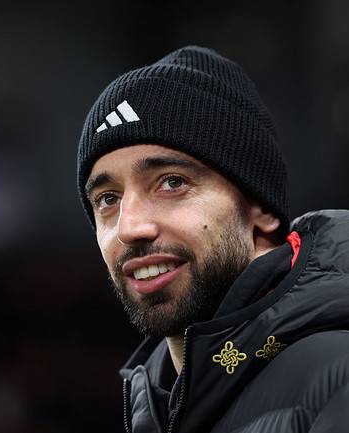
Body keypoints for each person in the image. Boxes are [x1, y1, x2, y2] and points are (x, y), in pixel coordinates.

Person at [76, 46, 349, 433]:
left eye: (172, 182)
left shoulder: (338, 383)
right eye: (108, 199)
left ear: (260, 208)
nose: (129, 228)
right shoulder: (157, 404)